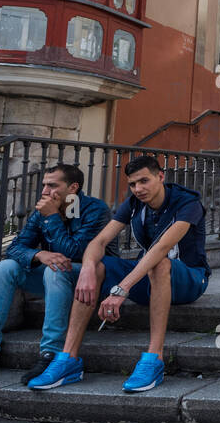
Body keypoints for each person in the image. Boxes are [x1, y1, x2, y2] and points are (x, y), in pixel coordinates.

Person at [29, 155, 210, 394]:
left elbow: (161, 249)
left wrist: (120, 289)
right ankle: (68, 359)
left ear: (160, 177)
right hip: (149, 279)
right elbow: (100, 240)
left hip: (190, 279)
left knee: (159, 263)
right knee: (98, 264)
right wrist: (87, 269)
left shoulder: (188, 202)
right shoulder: (134, 202)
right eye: (133, 184)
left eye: (144, 181)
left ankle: (154, 358)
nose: (138, 189)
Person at [0, 164, 112, 384]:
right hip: (57, 279)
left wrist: (52, 217)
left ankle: (51, 353)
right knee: (6, 268)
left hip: (93, 282)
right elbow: (14, 248)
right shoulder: (42, 212)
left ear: (73, 188)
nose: (44, 191)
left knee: (56, 269)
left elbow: (75, 252)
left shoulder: (95, 209)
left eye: (52, 185)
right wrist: (39, 255)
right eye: (44, 185)